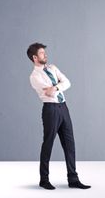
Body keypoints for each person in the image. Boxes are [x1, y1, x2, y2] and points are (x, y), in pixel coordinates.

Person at [27, 42, 91, 190]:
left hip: (63, 108)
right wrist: (57, 86)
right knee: (48, 143)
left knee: (70, 143)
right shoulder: (34, 76)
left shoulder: (53, 68)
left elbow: (67, 83)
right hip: (50, 109)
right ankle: (44, 179)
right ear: (35, 57)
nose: (45, 55)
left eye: (45, 52)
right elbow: (47, 93)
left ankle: (73, 179)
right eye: (42, 53)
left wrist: (55, 87)